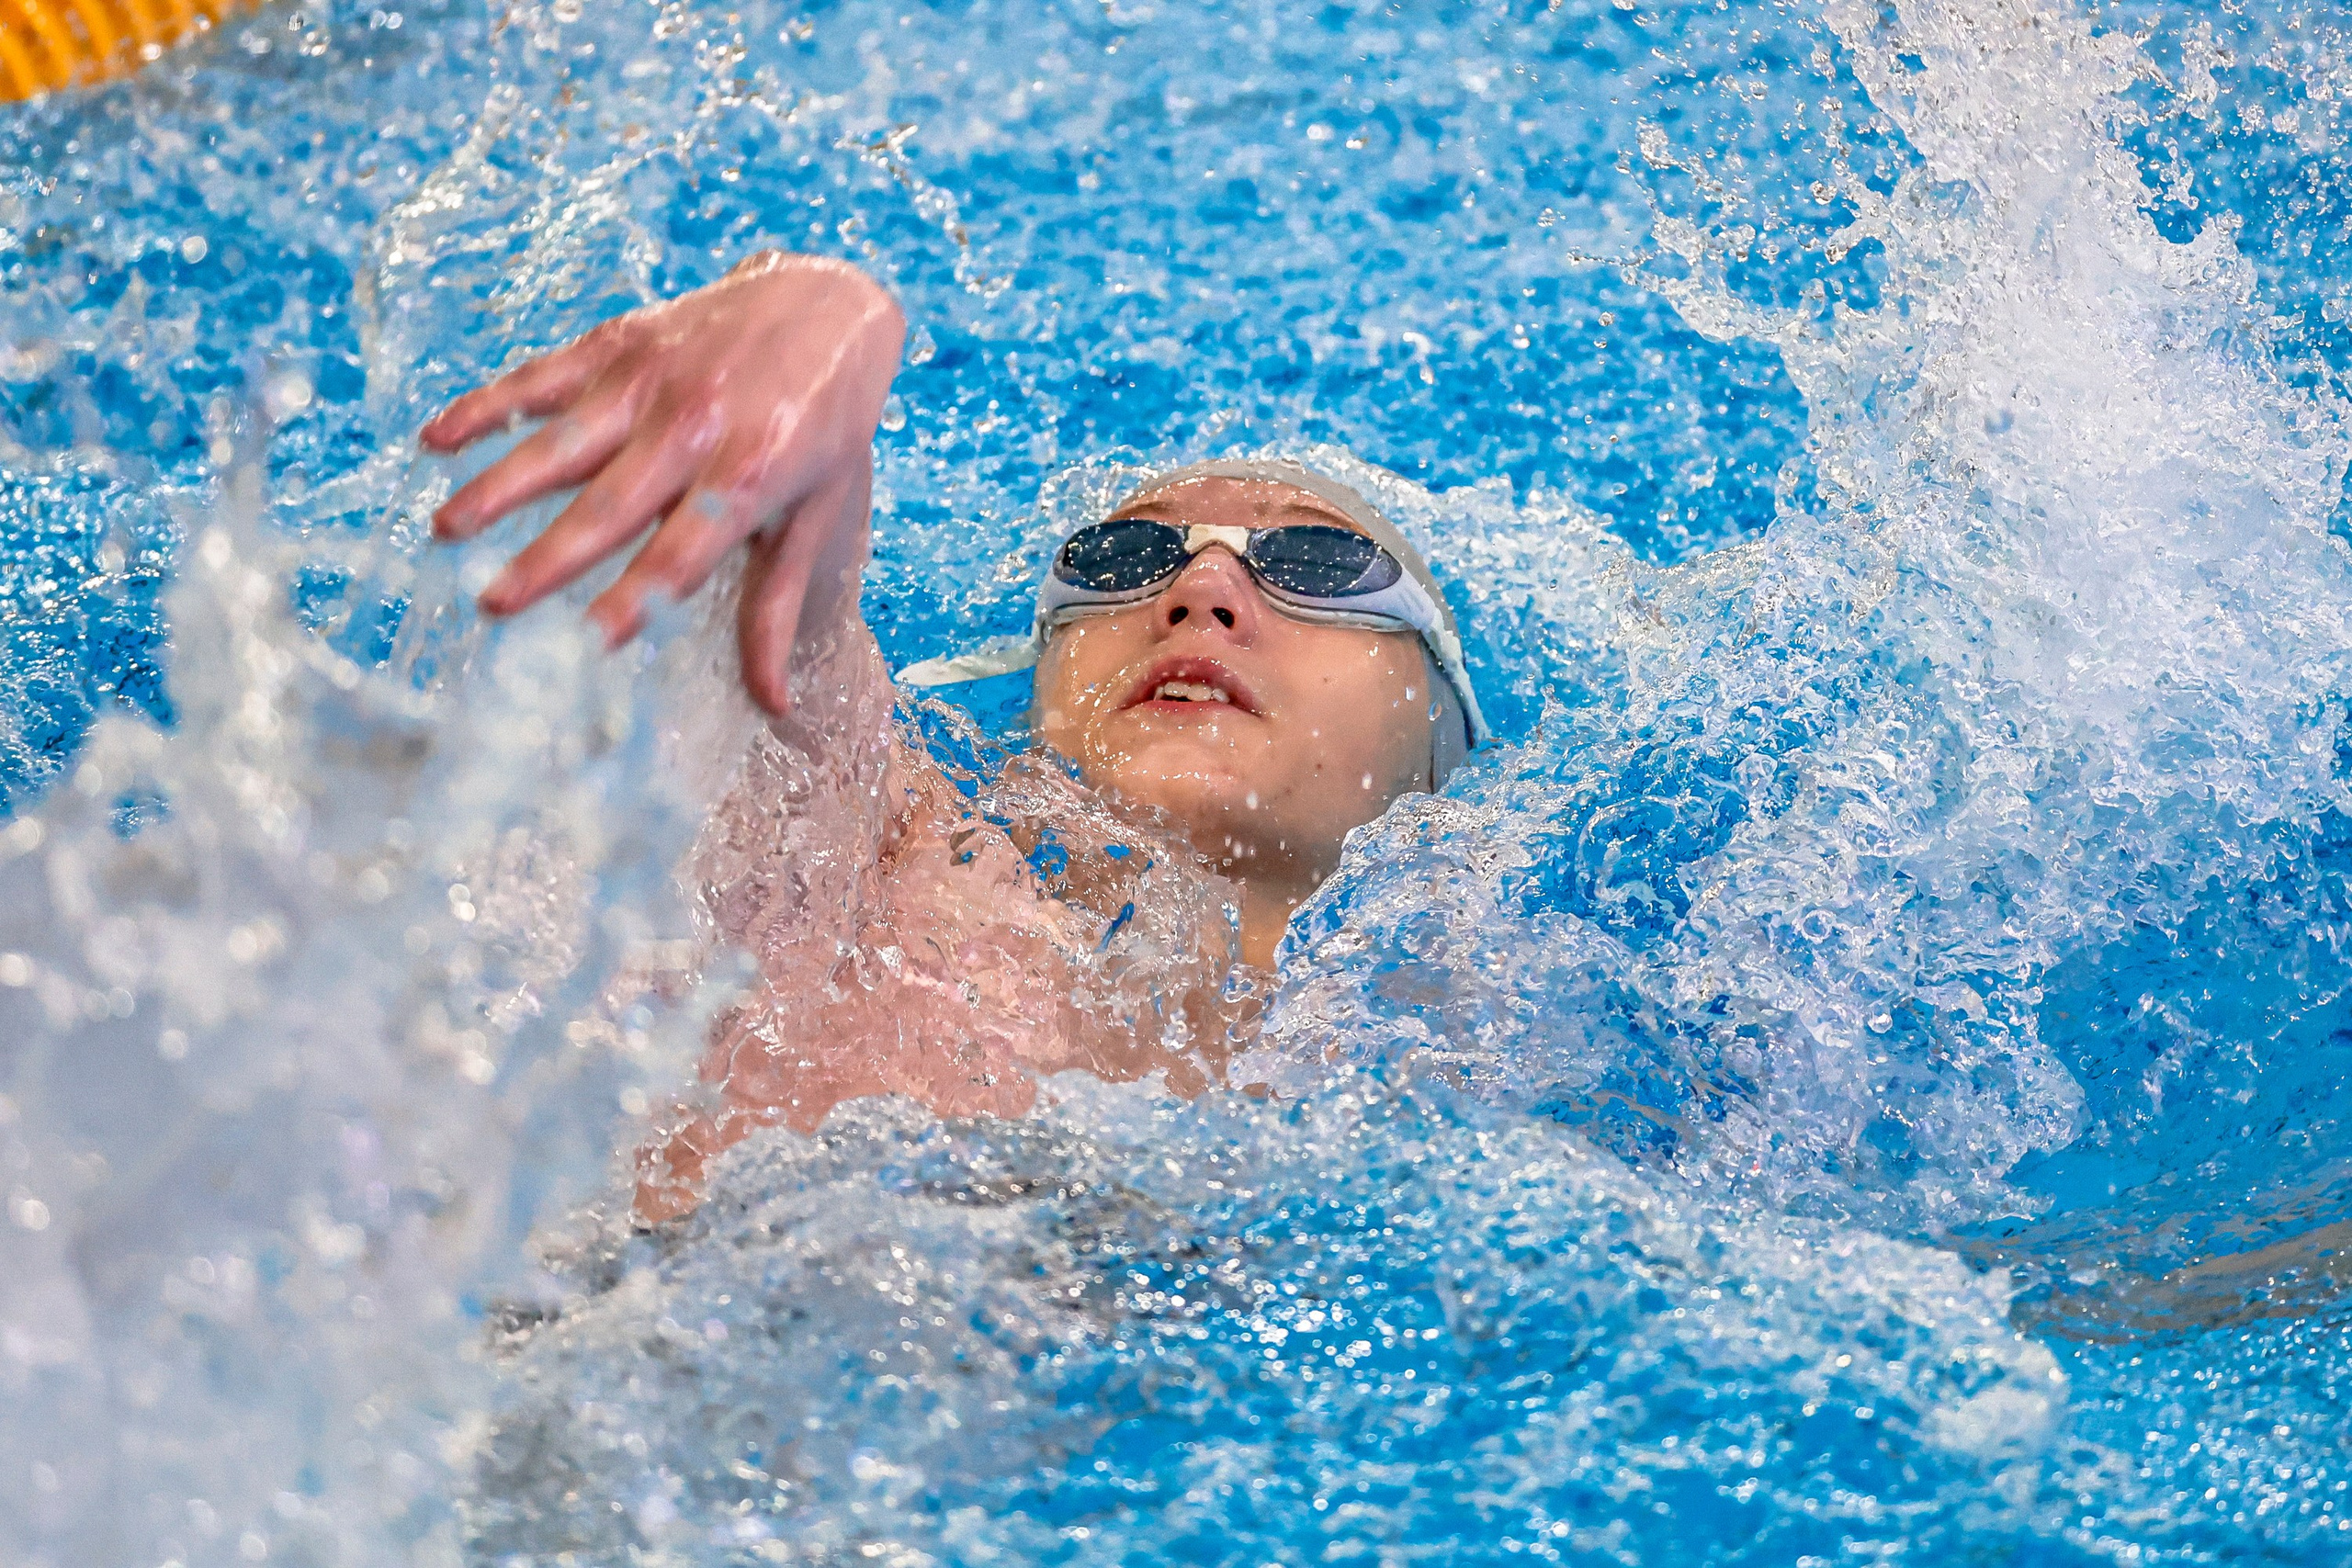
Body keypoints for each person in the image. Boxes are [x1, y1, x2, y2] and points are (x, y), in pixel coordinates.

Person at [420, 252, 1487, 1220]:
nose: (1201, 589)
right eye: (1122, 559)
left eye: (1319, 568)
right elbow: (782, 645)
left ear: (1440, 742)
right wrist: (812, 325)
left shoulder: (1500, 1052)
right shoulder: (886, 875)